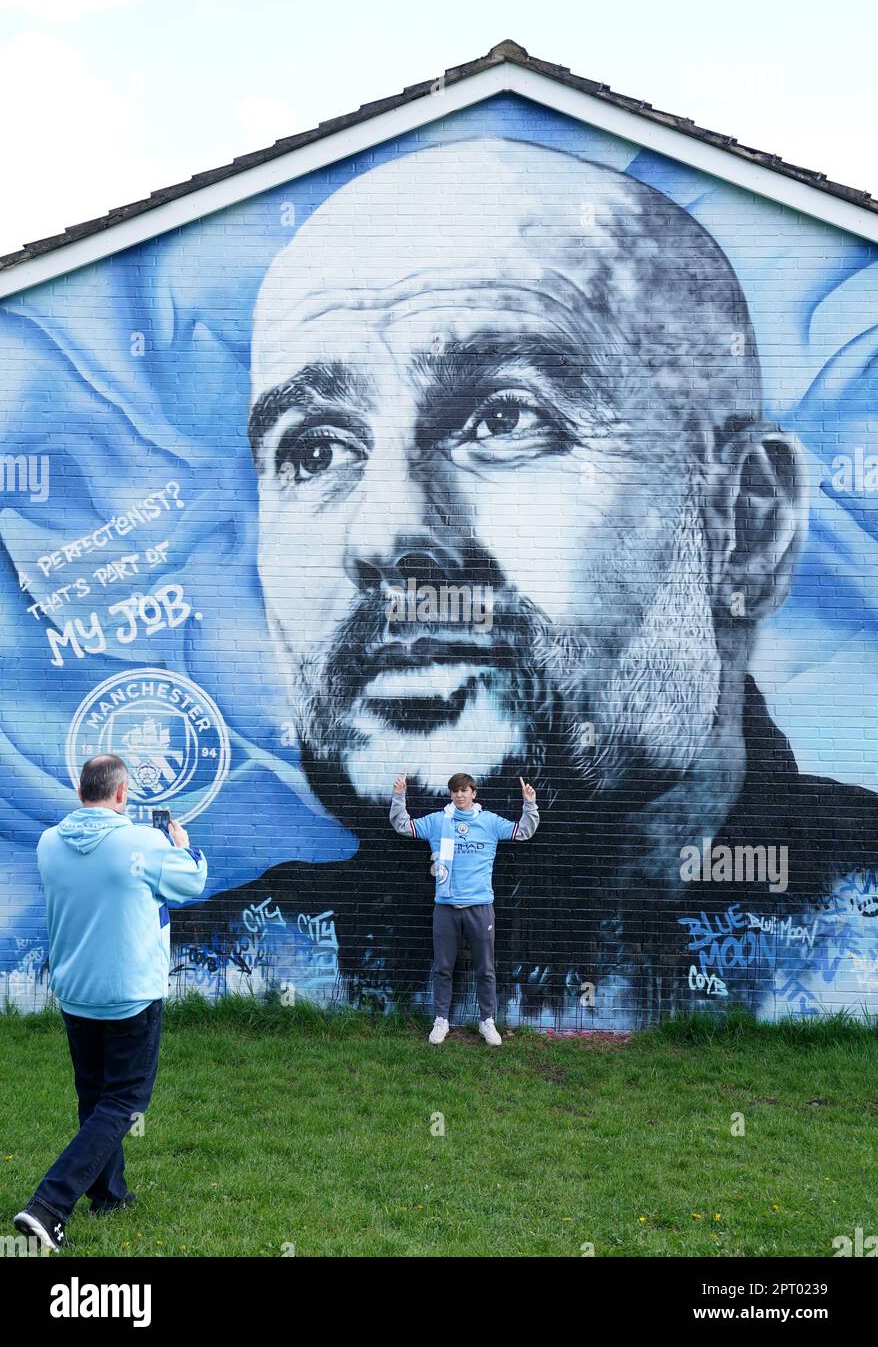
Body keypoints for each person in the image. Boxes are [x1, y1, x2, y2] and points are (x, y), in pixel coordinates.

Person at [174, 137, 878, 1027]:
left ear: (745, 526)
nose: (385, 532)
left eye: (506, 417)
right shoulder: (211, 971)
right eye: (315, 449)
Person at [13, 754, 207, 1252]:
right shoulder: (144, 842)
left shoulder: (48, 844)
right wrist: (182, 846)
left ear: (82, 793)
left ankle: (109, 1194)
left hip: (76, 992)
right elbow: (191, 883)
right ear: (122, 795)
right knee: (123, 1101)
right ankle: (49, 1206)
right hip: (130, 994)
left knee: (94, 1097)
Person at [390, 771, 539, 1044]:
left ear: (474, 793)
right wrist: (399, 796)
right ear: (451, 794)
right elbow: (404, 826)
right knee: (443, 967)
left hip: (480, 906)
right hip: (445, 906)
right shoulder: (438, 821)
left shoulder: (489, 821)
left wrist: (529, 803)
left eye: (464, 790)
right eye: (455, 791)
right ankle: (441, 1021)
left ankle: (487, 1022)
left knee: (486, 968)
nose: (459, 795)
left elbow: (523, 832)